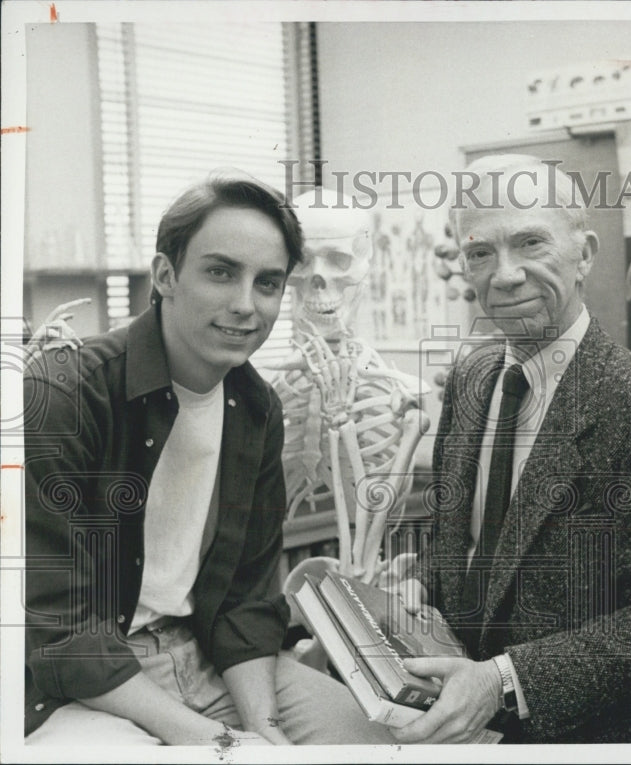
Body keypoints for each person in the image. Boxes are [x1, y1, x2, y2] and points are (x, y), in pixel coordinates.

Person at [22, 173, 394, 746]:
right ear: (166, 275)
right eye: (220, 272)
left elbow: (245, 602)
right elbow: (61, 631)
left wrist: (263, 730)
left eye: (268, 283)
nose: (246, 306)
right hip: (80, 675)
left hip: (198, 651)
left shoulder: (257, 408)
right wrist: (214, 742)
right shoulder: (66, 393)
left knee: (371, 743)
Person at [392, 154, 631, 744]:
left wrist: (503, 680)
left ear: (586, 254)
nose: (506, 274)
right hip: (450, 729)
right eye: (480, 252)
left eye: (530, 243)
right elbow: (475, 544)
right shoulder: (470, 379)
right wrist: (420, 580)